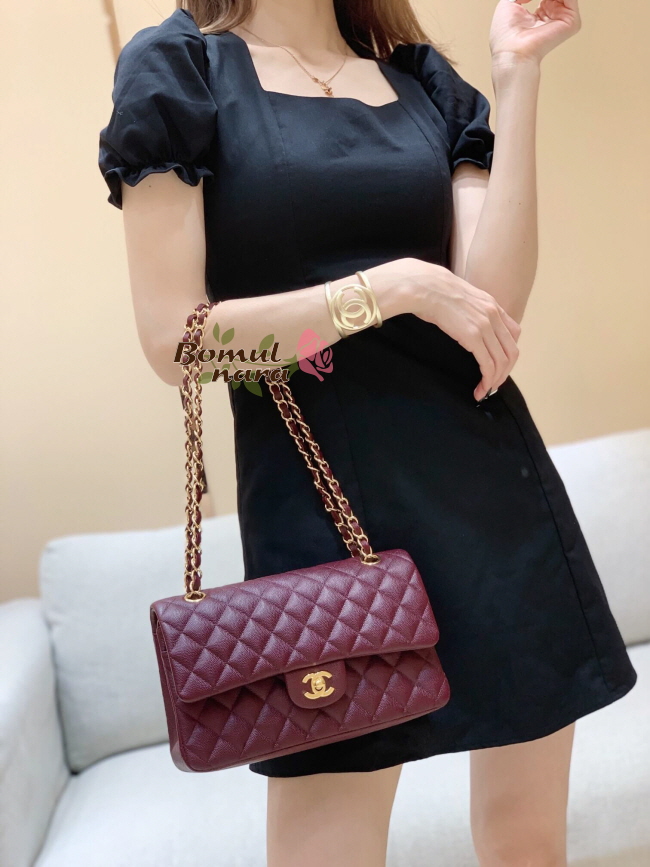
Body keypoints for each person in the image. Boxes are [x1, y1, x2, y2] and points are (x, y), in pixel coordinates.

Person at [97, 1, 637, 865]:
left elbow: (491, 305)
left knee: (529, 845)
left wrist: (517, 75)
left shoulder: (420, 79)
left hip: (492, 498)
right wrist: (390, 289)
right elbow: (180, 341)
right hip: (321, 518)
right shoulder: (179, 69)